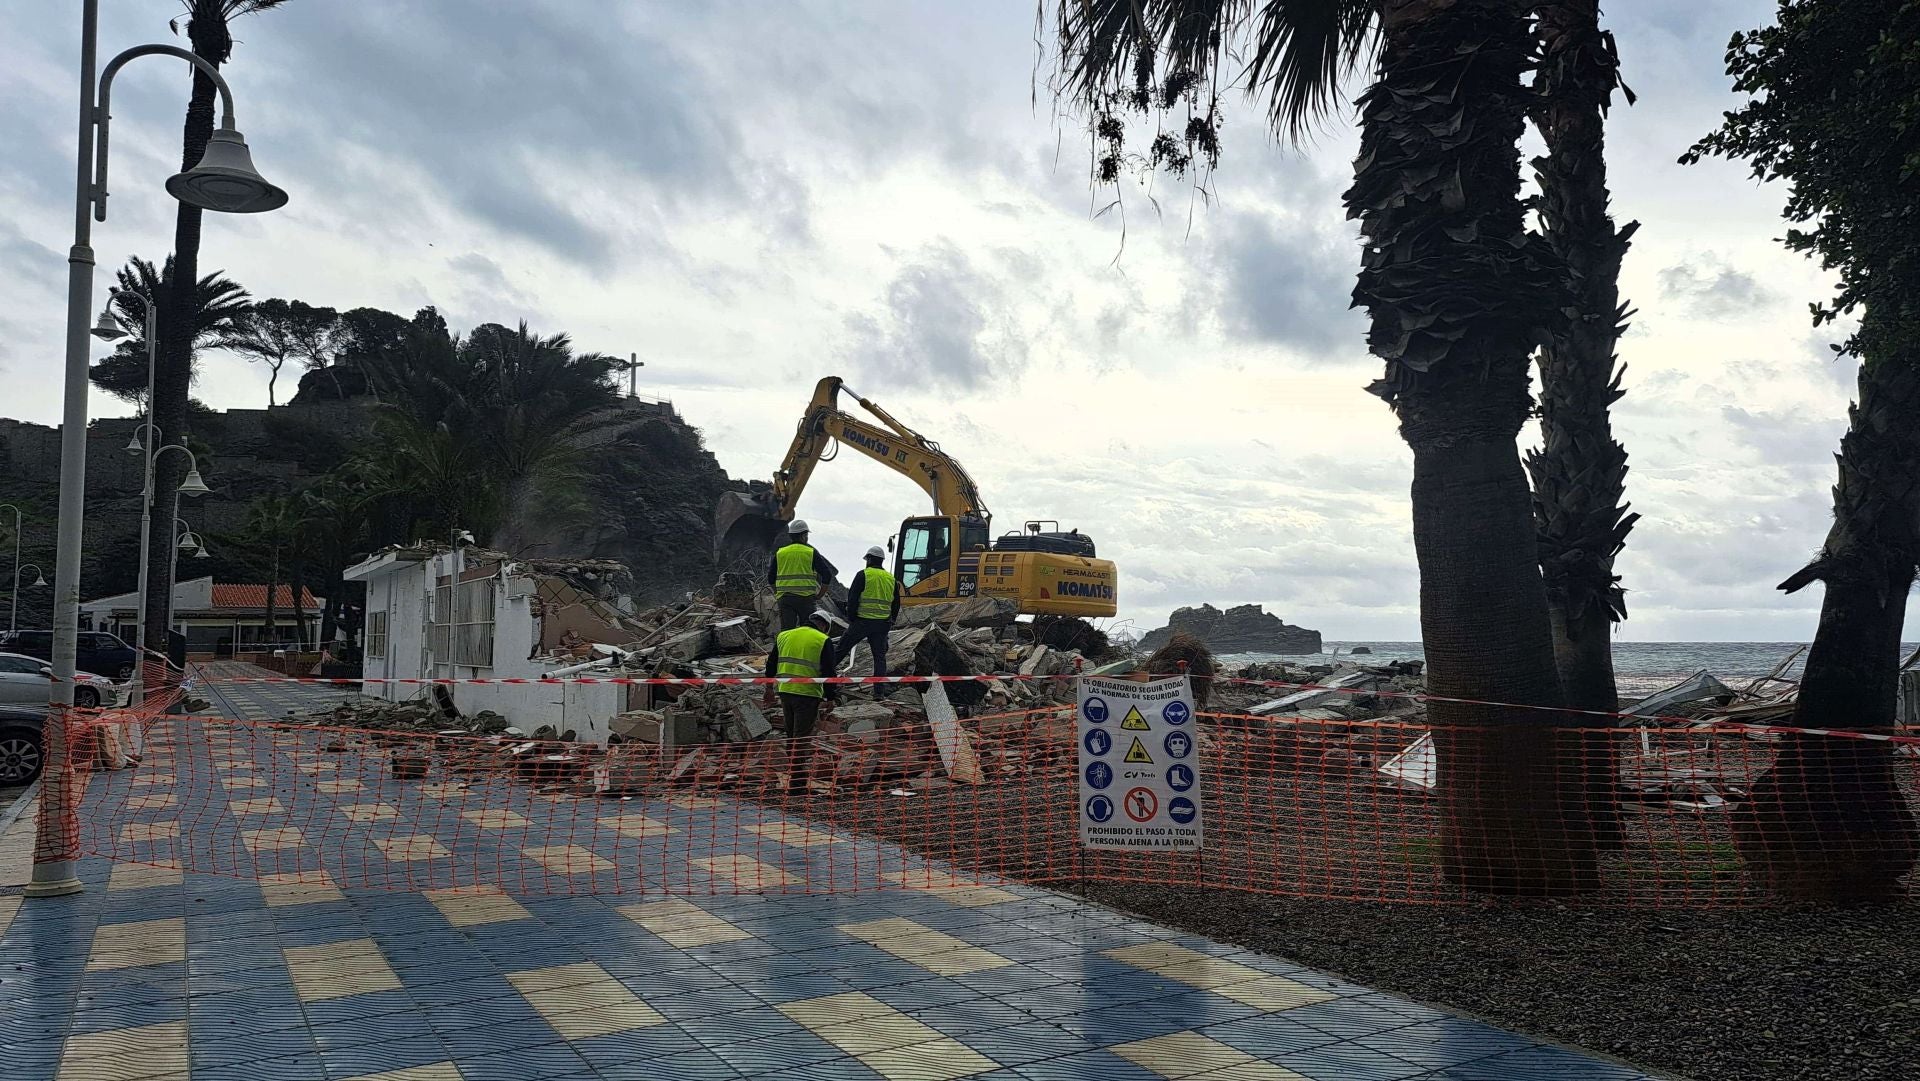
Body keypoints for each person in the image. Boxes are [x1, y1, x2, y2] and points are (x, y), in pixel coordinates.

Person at [762, 608, 841, 793]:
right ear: (824, 625)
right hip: (807, 694)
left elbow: (771, 663)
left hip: (786, 692)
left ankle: (795, 777)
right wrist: (831, 697)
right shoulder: (821, 639)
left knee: (791, 736)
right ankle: (797, 784)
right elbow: (829, 671)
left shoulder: (784, 635)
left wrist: (768, 689)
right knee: (801, 737)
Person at [839, 545, 901, 696]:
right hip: (882, 625)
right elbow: (896, 603)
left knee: (841, 649)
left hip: (862, 622)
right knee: (880, 659)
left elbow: (852, 599)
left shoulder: (863, 575)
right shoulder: (890, 579)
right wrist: (891, 620)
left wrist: (852, 618)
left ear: (870, 559)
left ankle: (823, 681)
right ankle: (879, 693)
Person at [766, 519, 835, 632]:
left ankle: (784, 649)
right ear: (803, 536)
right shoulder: (810, 552)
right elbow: (827, 575)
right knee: (808, 631)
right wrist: (819, 595)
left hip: (786, 599)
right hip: (806, 599)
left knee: (786, 633)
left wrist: (778, 593)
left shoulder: (781, 553)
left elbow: (771, 578)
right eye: (806, 535)